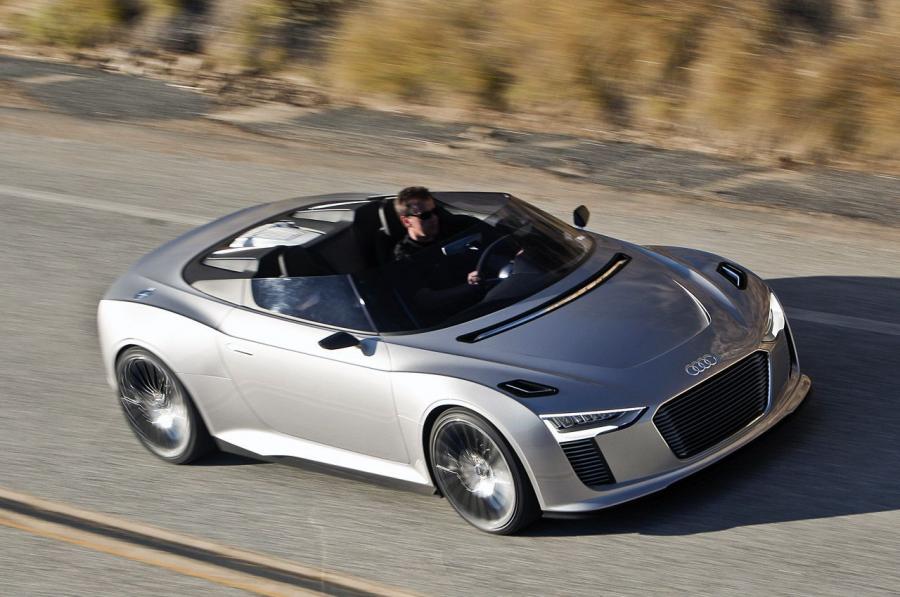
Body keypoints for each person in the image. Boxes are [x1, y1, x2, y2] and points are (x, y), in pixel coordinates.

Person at [392, 186, 482, 286]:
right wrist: (469, 286)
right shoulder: (405, 255)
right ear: (406, 221)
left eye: (435, 211)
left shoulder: (451, 226)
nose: (434, 218)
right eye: (425, 215)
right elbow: (426, 298)